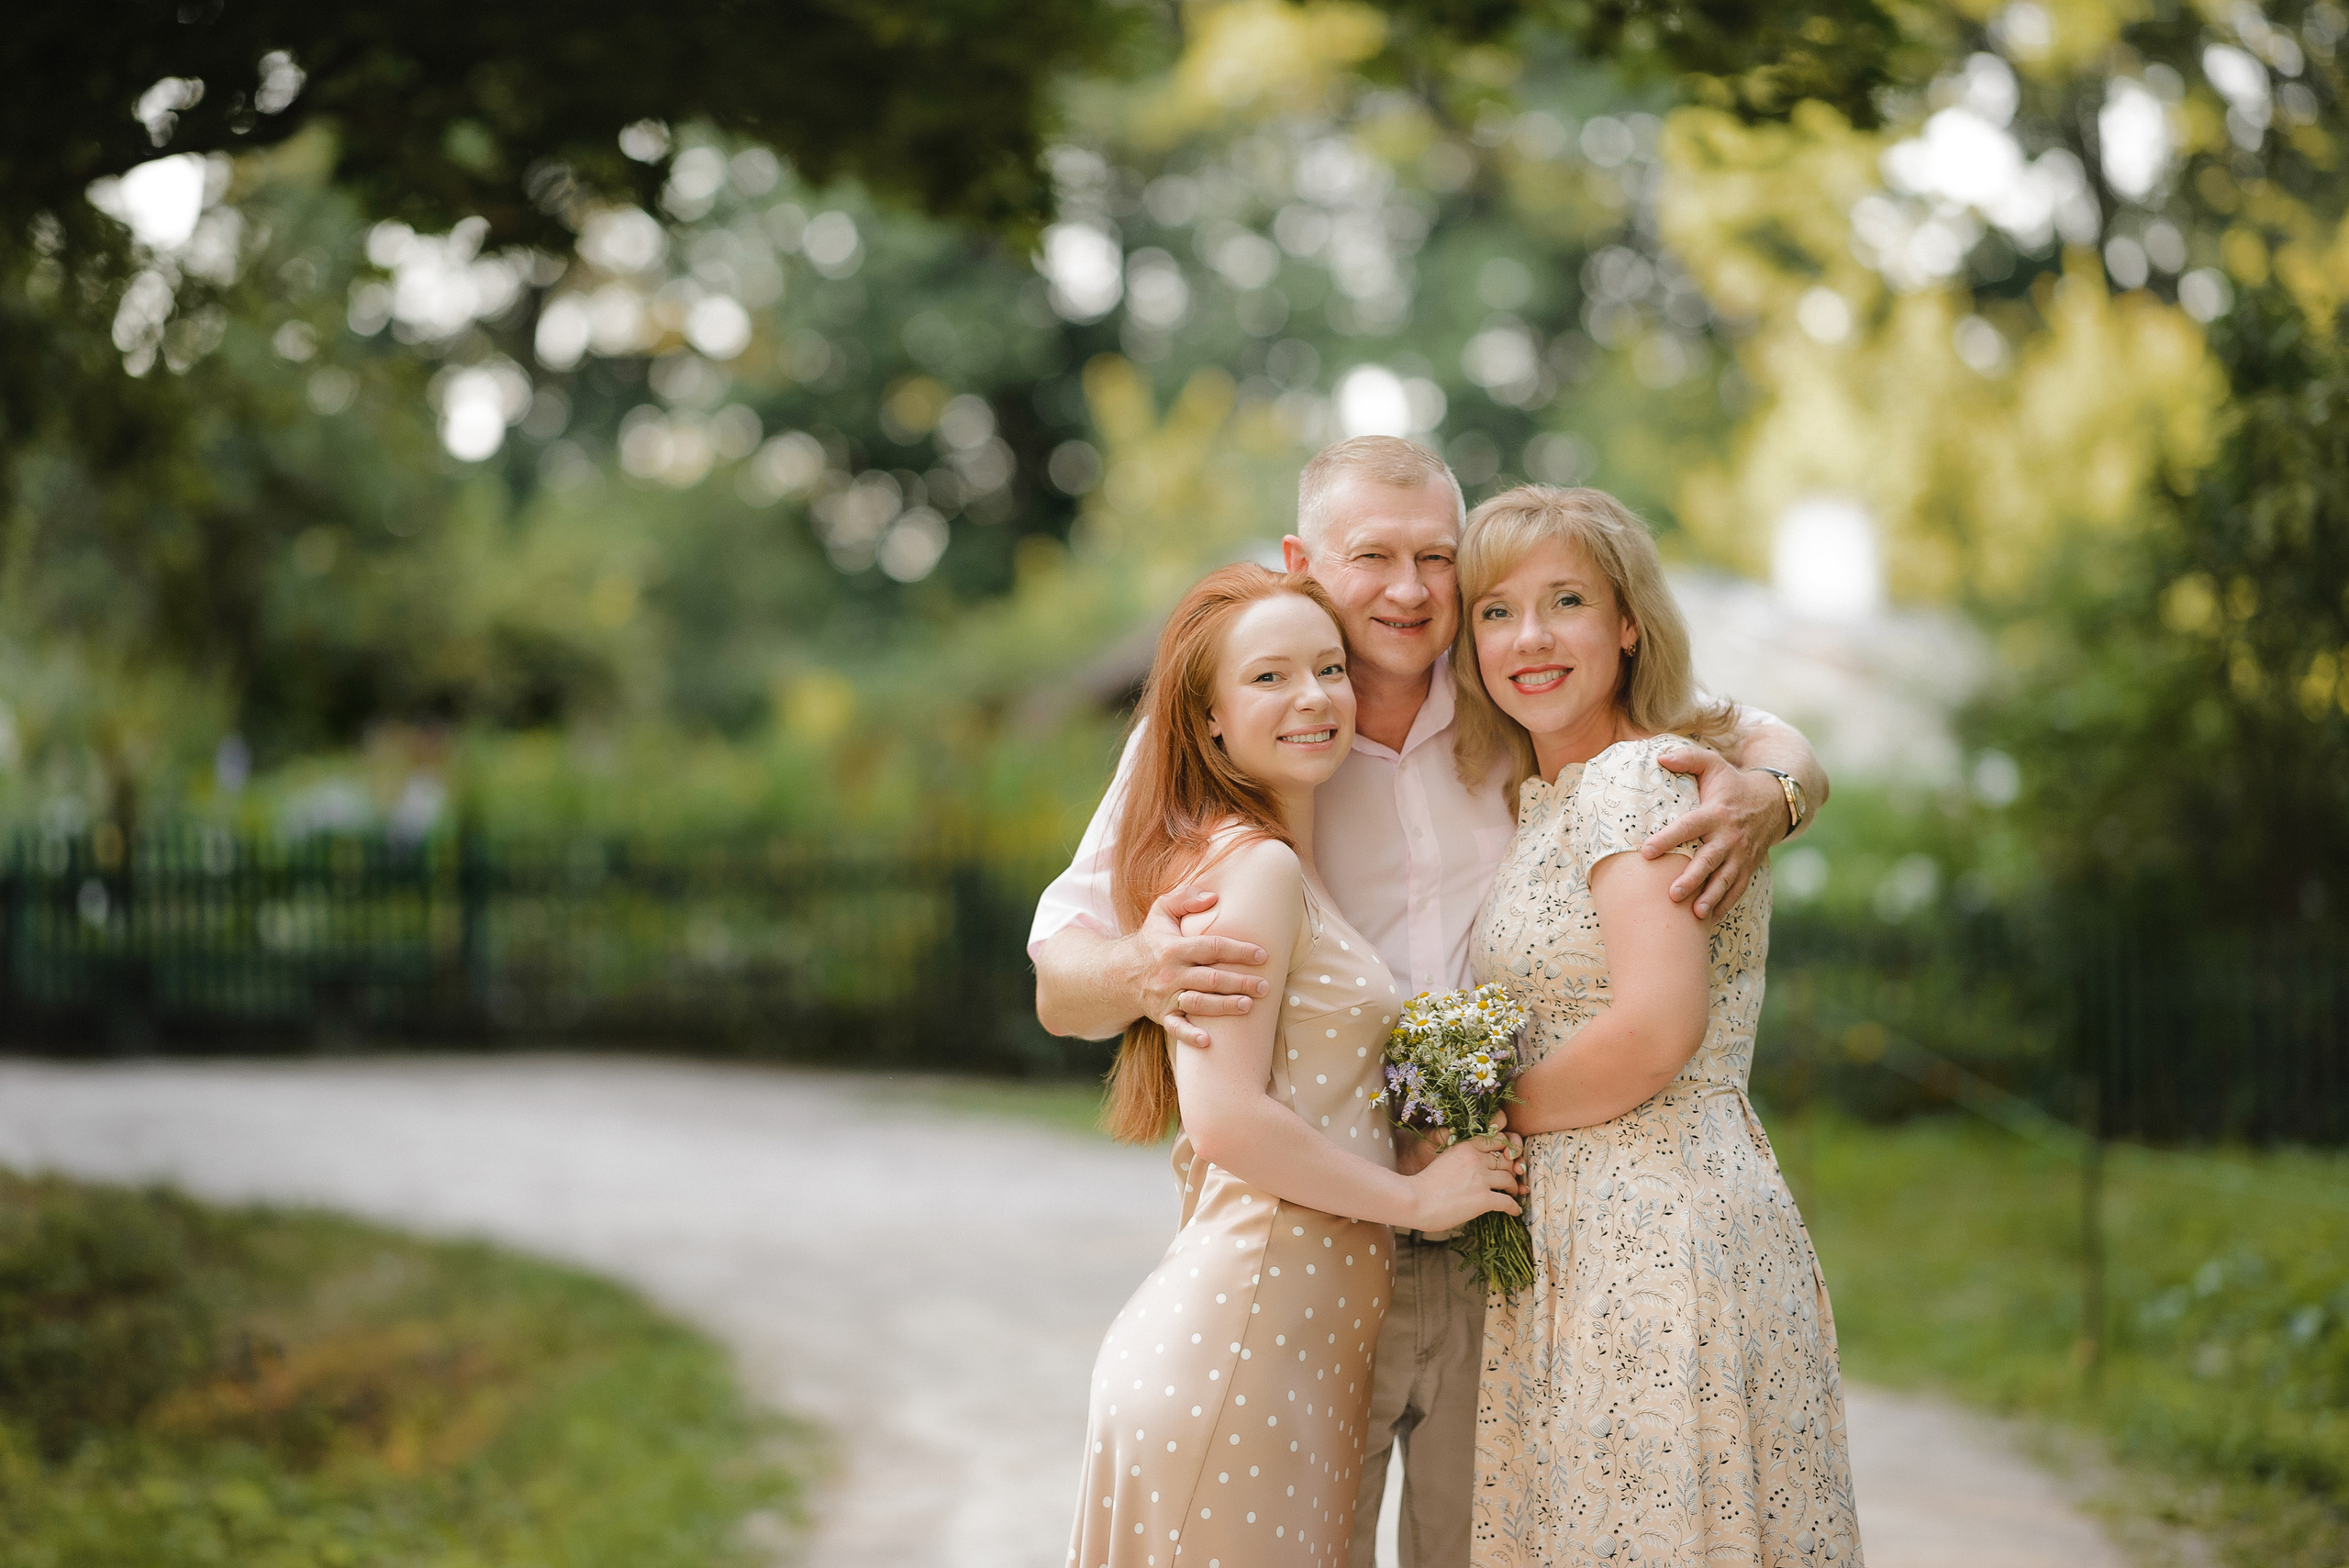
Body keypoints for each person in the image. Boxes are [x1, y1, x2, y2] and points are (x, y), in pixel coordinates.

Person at [1034, 437, 1831, 1568]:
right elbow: (1060, 981)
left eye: (1433, 559)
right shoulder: (1255, 716)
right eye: (1372, 557)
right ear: (1304, 559)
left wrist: (1776, 793)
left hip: (1498, 1231)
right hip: (1316, 1224)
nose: (1408, 591)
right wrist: (1141, 972)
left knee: (1491, 1540)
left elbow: (1746, 735)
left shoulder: (1520, 681)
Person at [1065, 563, 1523, 1568]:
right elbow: (1223, 1118)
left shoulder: (1282, 861)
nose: (1314, 696)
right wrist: (1418, 1198)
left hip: (1294, 1354)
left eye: (1327, 668)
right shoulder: (1254, 867)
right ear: (1211, 721)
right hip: (1240, 1350)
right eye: (1270, 676)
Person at [1455, 485, 1861, 1566]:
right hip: (1594, 1230)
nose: (1528, 637)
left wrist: (1481, 1125)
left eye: (1565, 600)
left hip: (1649, 1232)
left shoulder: (1639, 778)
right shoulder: (1561, 793)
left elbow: (1653, 1026)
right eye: (1495, 610)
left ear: (1626, 621)